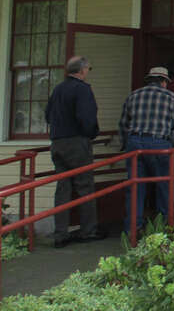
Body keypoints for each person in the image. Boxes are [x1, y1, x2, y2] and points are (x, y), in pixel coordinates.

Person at [119, 66, 174, 233]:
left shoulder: (133, 96)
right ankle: (165, 226)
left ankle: (133, 227)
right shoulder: (171, 97)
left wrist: (125, 145)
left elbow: (123, 124)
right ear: (164, 82)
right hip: (160, 144)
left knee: (135, 187)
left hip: (135, 144)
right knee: (164, 186)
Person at [44, 55, 106, 248]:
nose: (88, 72)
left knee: (63, 188)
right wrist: (91, 134)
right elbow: (86, 117)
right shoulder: (82, 90)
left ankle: (60, 233)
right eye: (88, 69)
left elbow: (47, 115)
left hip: (57, 142)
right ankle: (88, 230)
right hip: (76, 142)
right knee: (84, 185)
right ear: (82, 70)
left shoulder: (58, 89)